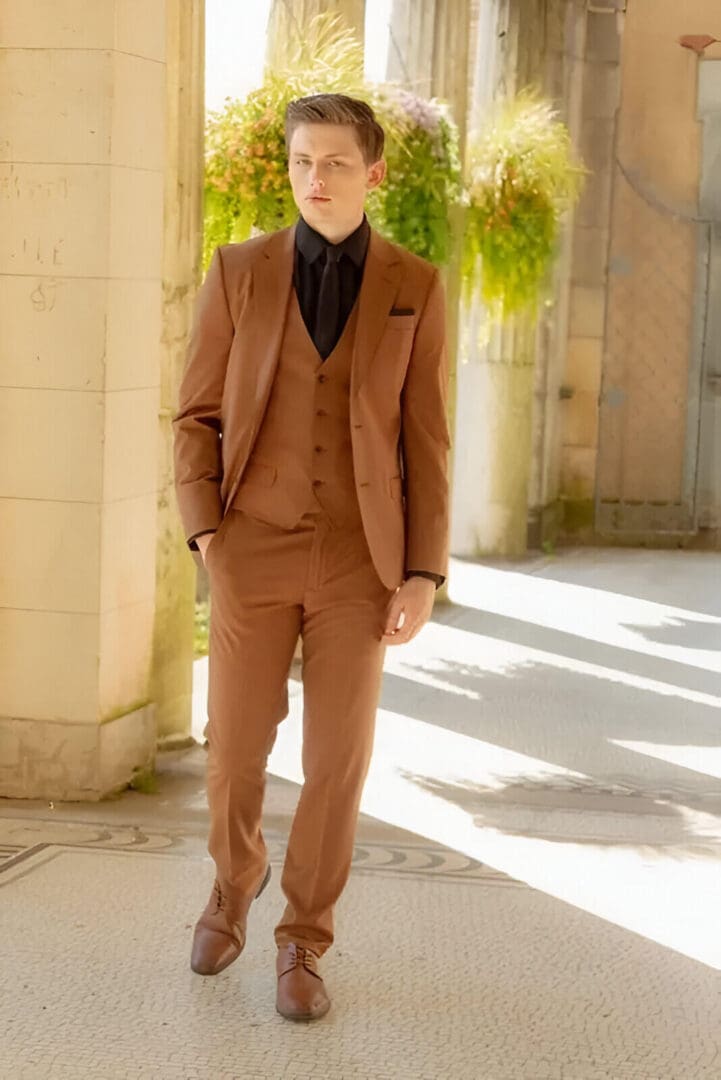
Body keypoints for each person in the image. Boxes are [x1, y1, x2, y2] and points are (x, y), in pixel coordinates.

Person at [172, 92, 450, 1022]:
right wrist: (208, 533)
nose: (315, 179)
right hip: (252, 542)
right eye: (301, 162)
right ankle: (231, 880)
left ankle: (302, 940)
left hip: (359, 558)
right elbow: (196, 415)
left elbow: (426, 441)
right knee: (234, 753)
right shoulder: (239, 270)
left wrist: (422, 569)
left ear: (373, 174)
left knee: (337, 760)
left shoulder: (415, 283)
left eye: (334, 163)